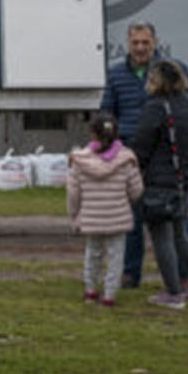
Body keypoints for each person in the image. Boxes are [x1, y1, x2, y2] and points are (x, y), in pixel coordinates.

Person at [99, 21, 188, 288]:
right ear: (128, 43)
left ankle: (183, 275)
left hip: (164, 156)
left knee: (175, 219)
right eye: (135, 42)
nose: (140, 48)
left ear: (155, 42)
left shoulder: (173, 70)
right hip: (130, 156)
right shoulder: (116, 75)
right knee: (131, 218)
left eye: (145, 42)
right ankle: (130, 273)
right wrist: (107, 148)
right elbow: (107, 114)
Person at [129, 60, 188, 309]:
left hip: (160, 182)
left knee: (161, 237)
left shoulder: (156, 107)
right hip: (184, 181)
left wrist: (131, 166)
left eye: (151, 79)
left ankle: (173, 293)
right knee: (182, 235)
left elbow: (142, 146)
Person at [66, 113, 142, 307]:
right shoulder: (126, 159)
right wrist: (125, 200)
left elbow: (73, 193)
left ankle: (91, 290)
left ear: (92, 134)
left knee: (93, 253)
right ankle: (109, 295)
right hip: (118, 217)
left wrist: (74, 214)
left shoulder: (79, 160)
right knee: (116, 257)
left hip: (91, 217)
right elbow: (136, 190)